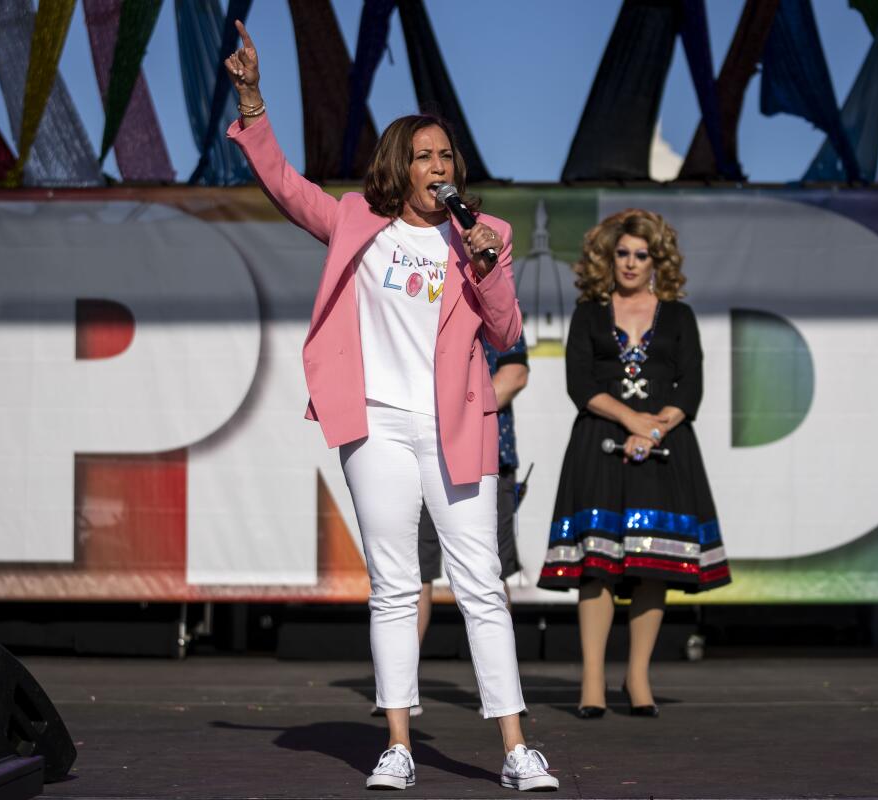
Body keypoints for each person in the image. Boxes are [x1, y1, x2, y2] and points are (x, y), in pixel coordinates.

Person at [224, 23, 557, 793]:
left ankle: (515, 750)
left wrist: (485, 267)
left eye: (447, 156)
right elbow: (282, 183)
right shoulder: (356, 223)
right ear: (399, 166)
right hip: (375, 421)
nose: (439, 165)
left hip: (456, 426)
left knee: (480, 584)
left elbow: (505, 331)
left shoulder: (487, 236)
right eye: (425, 155)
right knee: (395, 585)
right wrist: (252, 99)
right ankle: (398, 744)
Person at [537, 209, 730, 719]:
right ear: (608, 257)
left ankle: (638, 676)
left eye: (640, 255)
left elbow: (691, 387)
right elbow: (581, 385)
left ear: (656, 260)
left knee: (652, 565)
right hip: (599, 444)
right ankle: (594, 680)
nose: (630, 263)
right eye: (621, 253)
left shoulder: (680, 316)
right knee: (596, 568)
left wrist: (656, 428)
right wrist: (632, 422)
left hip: (666, 450)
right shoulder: (588, 313)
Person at [376, 334, 529, 719]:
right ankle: (401, 691)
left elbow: (514, 373)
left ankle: (500, 694)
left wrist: (457, 411)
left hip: (479, 449)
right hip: (415, 449)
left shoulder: (487, 287)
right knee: (411, 574)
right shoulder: (412, 298)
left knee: (487, 576)